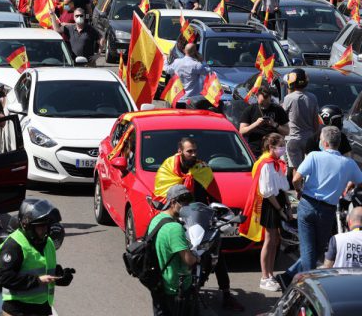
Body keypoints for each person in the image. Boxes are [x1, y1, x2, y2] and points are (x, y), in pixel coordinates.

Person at [153, 139, 243, 311]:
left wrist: (219, 211)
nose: (193, 155)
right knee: (163, 251)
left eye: (195, 151)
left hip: (200, 219)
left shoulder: (202, 169)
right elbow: (161, 196)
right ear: (180, 151)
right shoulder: (167, 168)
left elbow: (214, 195)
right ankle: (161, 287)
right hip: (178, 220)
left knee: (217, 254)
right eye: (189, 152)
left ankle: (226, 294)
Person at [277, 126, 362, 288]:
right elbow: (360, 180)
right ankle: (302, 283)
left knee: (311, 251)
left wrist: (299, 191)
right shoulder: (348, 163)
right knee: (314, 250)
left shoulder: (314, 156)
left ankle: (299, 282)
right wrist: (349, 185)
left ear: (324, 142)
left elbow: (296, 179)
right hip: (327, 210)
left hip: (308, 205)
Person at [0, 199, 74, 316]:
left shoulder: (47, 242)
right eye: (40, 227)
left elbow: (44, 267)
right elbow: (5, 278)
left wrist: (60, 275)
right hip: (18, 309)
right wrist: (37, 281)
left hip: (42, 308)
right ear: (27, 226)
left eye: (46, 226)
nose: (45, 231)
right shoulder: (14, 245)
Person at [238, 133, 291, 292]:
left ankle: (271, 274)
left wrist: (287, 204)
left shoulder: (277, 163)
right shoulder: (266, 164)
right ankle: (264, 276)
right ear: (271, 147)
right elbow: (267, 191)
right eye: (280, 146)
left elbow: (283, 185)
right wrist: (280, 209)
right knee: (269, 240)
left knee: (275, 240)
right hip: (271, 204)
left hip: (279, 200)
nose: (282, 149)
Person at [148, 184, 198, 315]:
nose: (186, 206)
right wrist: (196, 256)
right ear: (172, 202)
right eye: (183, 202)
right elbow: (189, 260)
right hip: (174, 288)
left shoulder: (157, 219)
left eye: (188, 203)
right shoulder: (175, 228)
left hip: (158, 283)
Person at [282, 68, 319, 175]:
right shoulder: (313, 97)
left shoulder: (289, 98)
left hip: (293, 138)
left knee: (297, 169)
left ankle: (298, 190)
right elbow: (315, 121)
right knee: (309, 168)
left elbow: (283, 116)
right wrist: (315, 136)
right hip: (309, 138)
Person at [238, 85, 289, 156]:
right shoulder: (250, 109)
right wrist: (256, 124)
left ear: (270, 97)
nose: (264, 105)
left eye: (267, 103)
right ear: (256, 97)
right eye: (262, 103)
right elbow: (242, 131)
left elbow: (287, 131)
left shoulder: (278, 109)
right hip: (255, 150)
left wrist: (274, 124)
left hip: (273, 151)